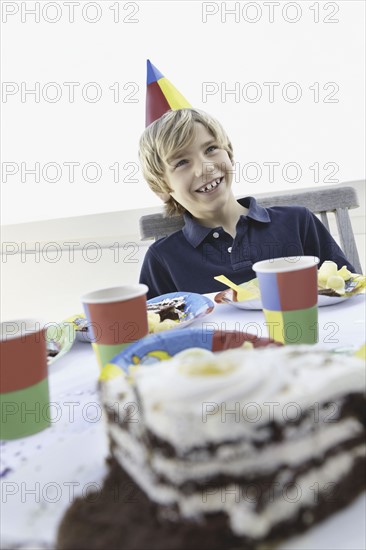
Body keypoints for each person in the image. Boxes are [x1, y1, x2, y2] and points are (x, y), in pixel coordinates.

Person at [138, 108, 354, 299]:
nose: (204, 168)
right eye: (182, 162)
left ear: (229, 154)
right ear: (162, 188)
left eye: (211, 149)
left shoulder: (297, 222)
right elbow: (155, 331)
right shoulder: (163, 259)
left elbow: (351, 290)